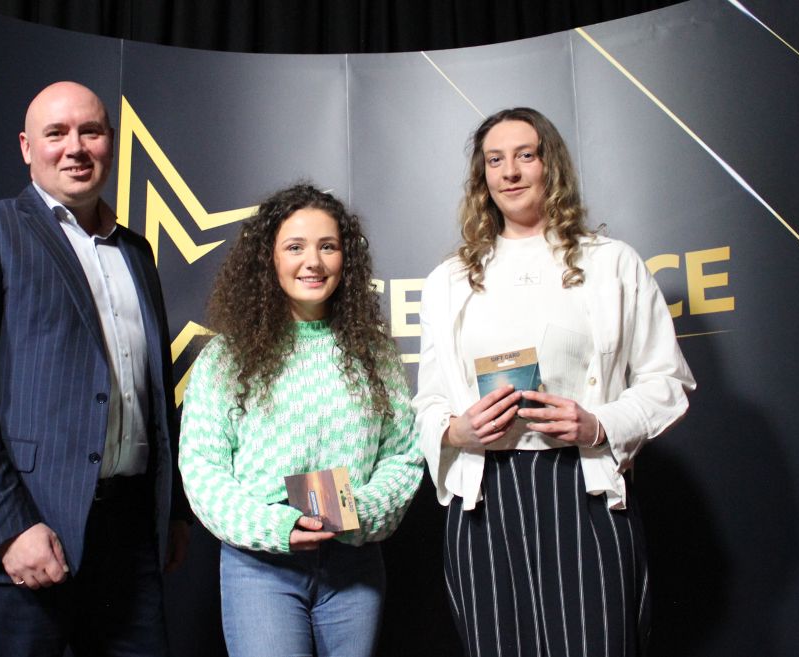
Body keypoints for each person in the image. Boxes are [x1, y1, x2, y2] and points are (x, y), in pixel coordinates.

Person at [413, 107, 696, 657]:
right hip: (483, 497)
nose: (510, 172)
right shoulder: (448, 280)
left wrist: (597, 424)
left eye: (525, 155)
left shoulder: (612, 263)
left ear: (551, 165)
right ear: (482, 177)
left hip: (582, 489)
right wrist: (456, 433)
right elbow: (428, 399)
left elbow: (668, 382)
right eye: (496, 160)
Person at [0, 81, 189, 657]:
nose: (75, 148)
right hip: (24, 535)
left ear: (110, 143)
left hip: (129, 540)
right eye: (56, 133)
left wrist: (172, 513)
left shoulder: (137, 253)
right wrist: (8, 529)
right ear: (26, 146)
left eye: (90, 132)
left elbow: (155, 395)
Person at [178, 184, 423, 657]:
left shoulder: (373, 352)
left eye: (327, 246)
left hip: (354, 563)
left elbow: (403, 455)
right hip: (261, 566)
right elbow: (203, 469)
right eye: (295, 247)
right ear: (267, 259)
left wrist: (359, 512)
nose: (313, 262)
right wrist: (274, 528)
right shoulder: (226, 358)